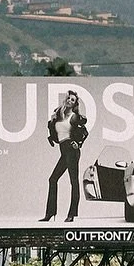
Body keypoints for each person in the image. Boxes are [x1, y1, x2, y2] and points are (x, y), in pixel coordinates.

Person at [43, 90, 88, 222]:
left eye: (72, 100)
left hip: (72, 151)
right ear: (65, 99)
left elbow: (85, 132)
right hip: (63, 150)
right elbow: (55, 134)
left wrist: (78, 143)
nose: (69, 100)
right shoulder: (59, 114)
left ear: (74, 104)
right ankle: (50, 213)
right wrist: (51, 124)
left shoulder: (73, 117)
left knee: (73, 181)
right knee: (53, 179)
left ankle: (71, 214)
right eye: (68, 98)